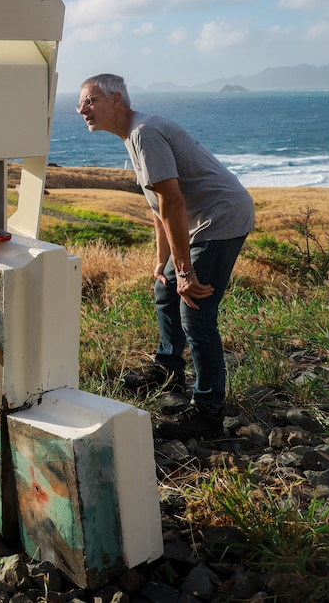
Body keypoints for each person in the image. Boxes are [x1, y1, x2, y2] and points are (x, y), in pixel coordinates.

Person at [76, 73, 255, 440]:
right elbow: (159, 207)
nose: (82, 109)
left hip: (219, 219)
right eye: (81, 103)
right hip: (199, 223)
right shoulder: (132, 135)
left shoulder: (145, 133)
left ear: (117, 101)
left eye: (90, 101)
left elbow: (173, 201)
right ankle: (169, 369)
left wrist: (186, 270)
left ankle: (208, 413)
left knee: (196, 310)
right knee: (165, 289)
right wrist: (164, 261)